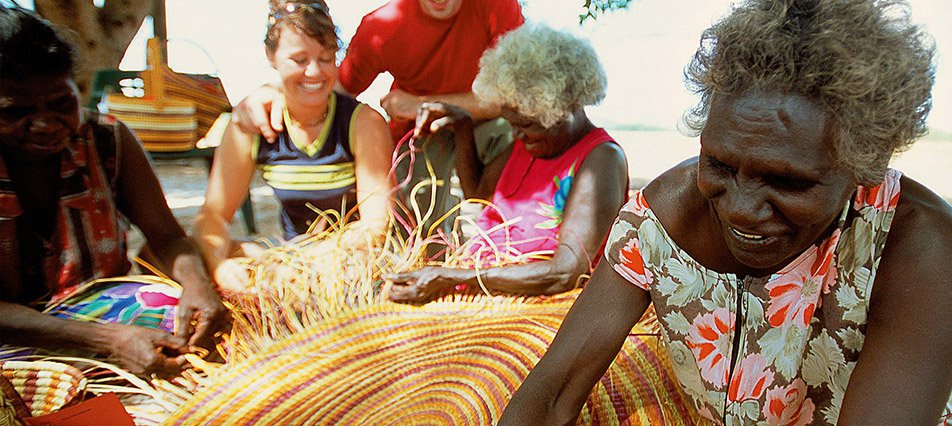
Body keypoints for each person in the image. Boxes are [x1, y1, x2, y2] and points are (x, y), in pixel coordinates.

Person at [498, 1, 952, 426]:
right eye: (720, 165)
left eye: (789, 182)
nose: (742, 209)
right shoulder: (661, 220)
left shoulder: (919, 246)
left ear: (864, 164)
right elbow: (553, 394)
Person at [0, 7, 227, 376]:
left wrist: (197, 285)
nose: (45, 123)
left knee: (209, 335)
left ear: (78, 88)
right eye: (15, 112)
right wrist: (105, 341)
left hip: (104, 308)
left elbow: (168, 238)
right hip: (15, 334)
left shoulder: (107, 141)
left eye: (61, 103)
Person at [232, 0, 524, 250]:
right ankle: (437, 263)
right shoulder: (382, 26)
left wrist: (423, 101)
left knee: (518, 142)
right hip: (419, 130)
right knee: (417, 206)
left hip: (481, 119)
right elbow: (328, 89)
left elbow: (521, 96)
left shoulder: (495, 6)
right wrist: (274, 90)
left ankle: (518, 241)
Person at [386, 23, 628, 302]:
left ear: (565, 108)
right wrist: (463, 127)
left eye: (526, 124)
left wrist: (452, 278)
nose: (516, 134)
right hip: (483, 289)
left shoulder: (601, 159)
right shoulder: (528, 144)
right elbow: (478, 194)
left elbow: (565, 273)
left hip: (540, 304)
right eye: (512, 124)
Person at [194, 0, 394, 293]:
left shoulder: (362, 123)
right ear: (271, 56)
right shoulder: (253, 124)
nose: (314, 72)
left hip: (352, 262)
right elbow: (213, 215)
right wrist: (220, 266)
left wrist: (311, 261)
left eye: (326, 59)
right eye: (299, 60)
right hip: (289, 257)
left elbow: (376, 225)